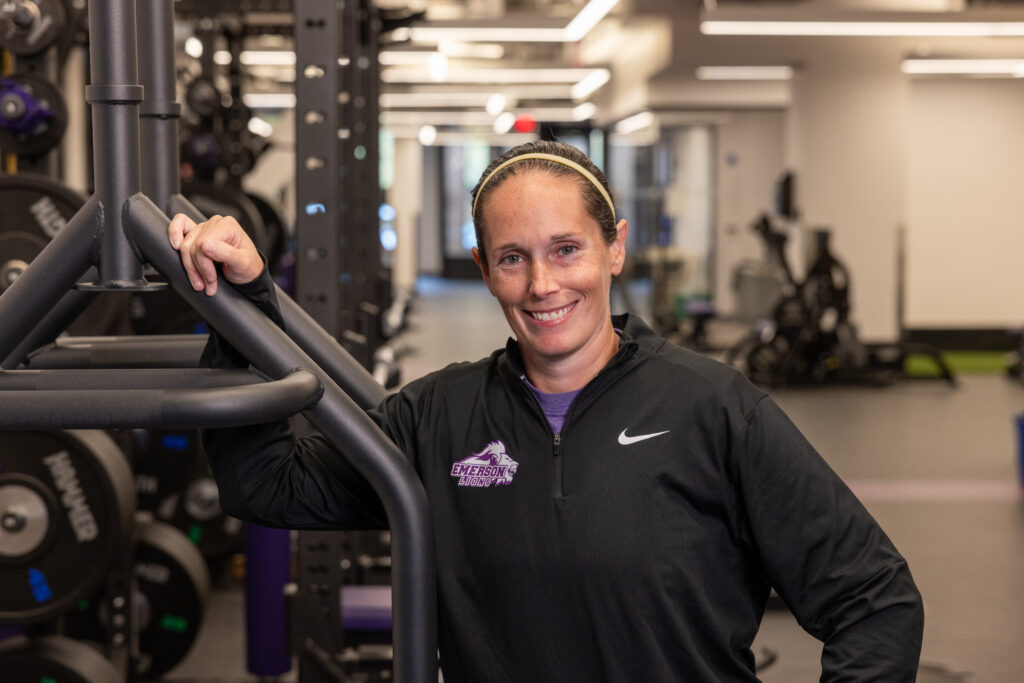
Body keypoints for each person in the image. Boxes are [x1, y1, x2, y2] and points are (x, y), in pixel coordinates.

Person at [168, 140, 924, 681]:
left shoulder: (715, 409)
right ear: (484, 268)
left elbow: (874, 601)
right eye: (513, 257)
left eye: (567, 249)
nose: (542, 285)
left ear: (614, 249)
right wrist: (239, 305)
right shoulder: (439, 414)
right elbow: (264, 483)